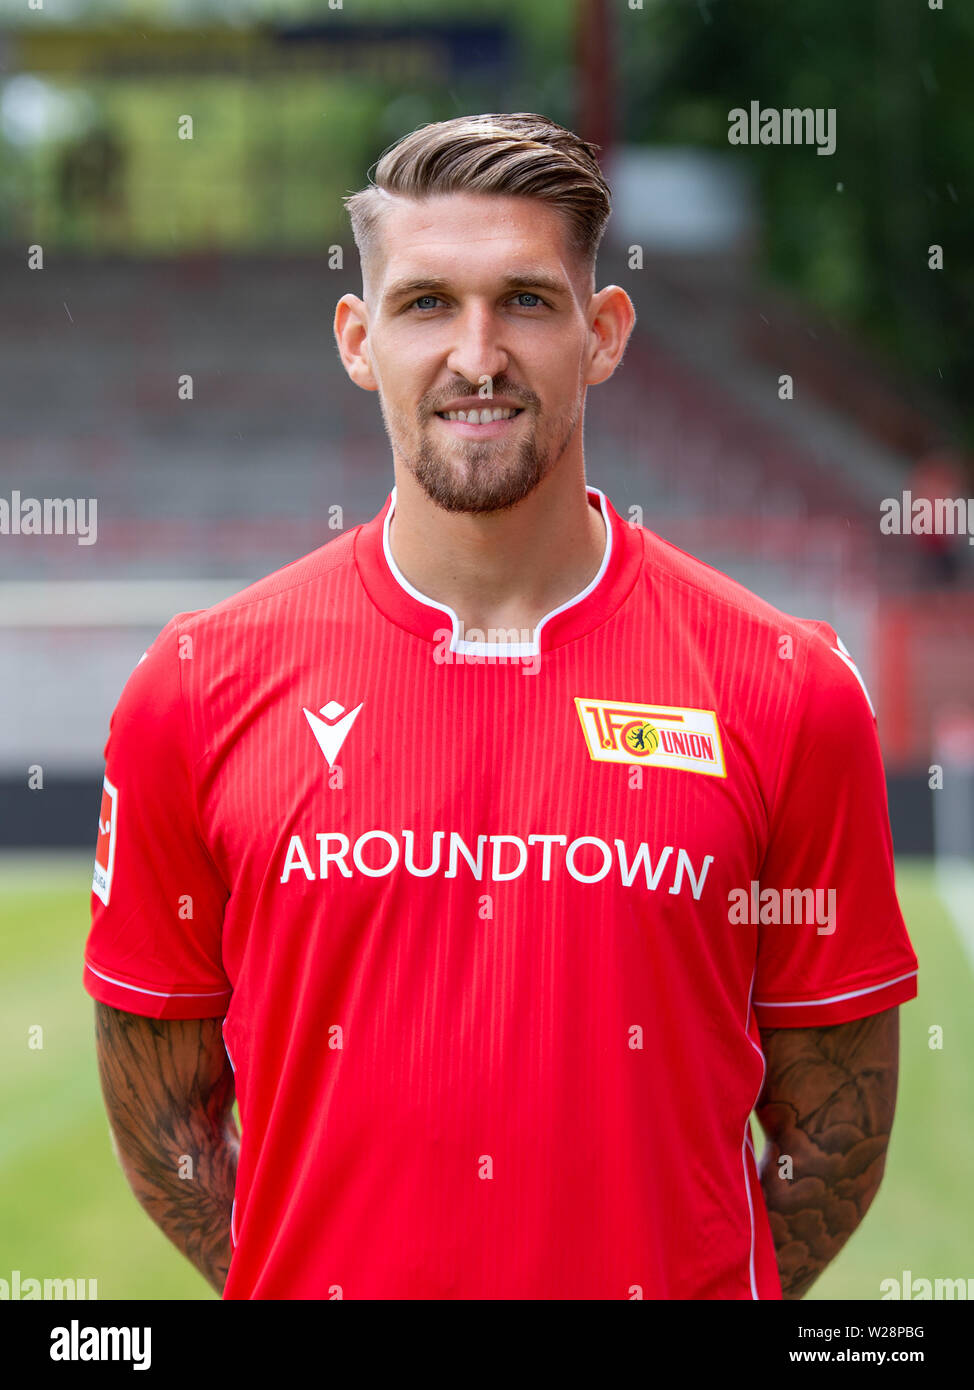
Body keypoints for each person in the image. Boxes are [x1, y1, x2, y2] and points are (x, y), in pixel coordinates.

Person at [84, 112, 918, 1300]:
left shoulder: (784, 690)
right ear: (357, 339)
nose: (476, 354)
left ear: (603, 334)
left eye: (525, 300)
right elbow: (161, 1115)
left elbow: (836, 1130)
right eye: (426, 303)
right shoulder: (196, 689)